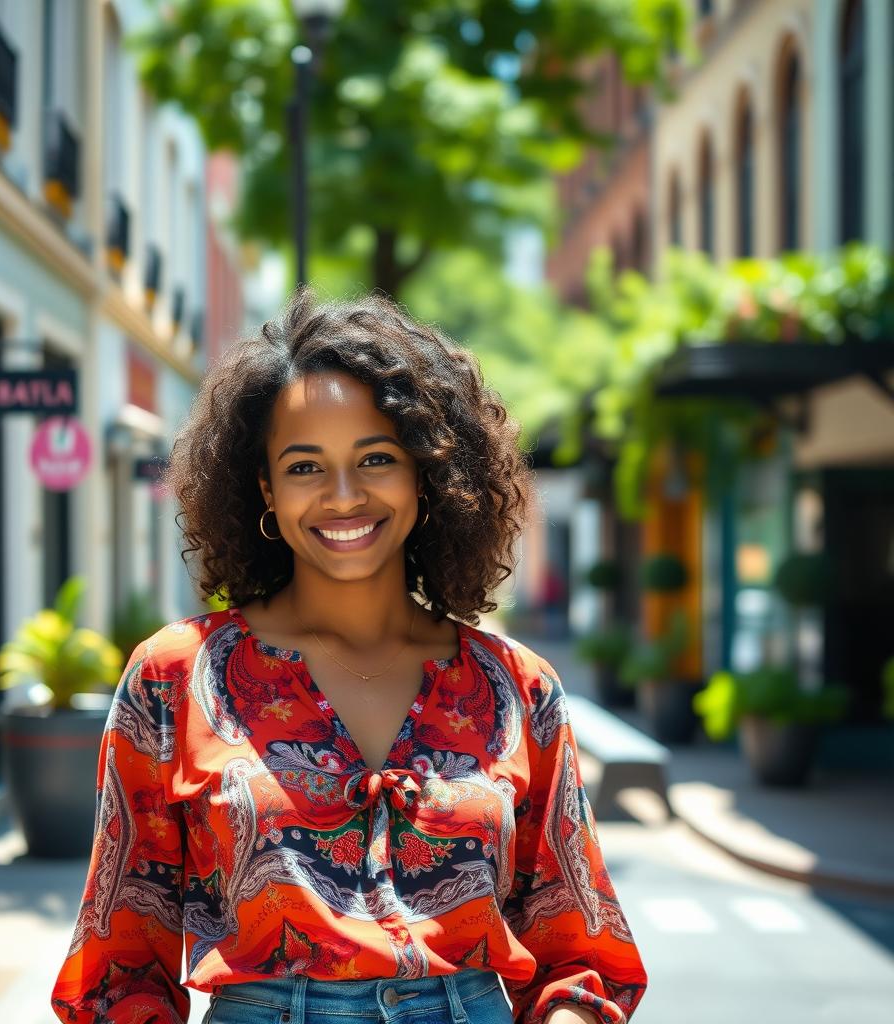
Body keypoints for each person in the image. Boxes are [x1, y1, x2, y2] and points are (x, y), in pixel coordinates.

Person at [51, 290, 648, 1024]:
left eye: (376, 458)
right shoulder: (175, 678)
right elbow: (119, 967)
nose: (343, 495)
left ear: (426, 475)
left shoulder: (517, 688)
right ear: (264, 489)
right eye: (305, 467)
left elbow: (579, 955)